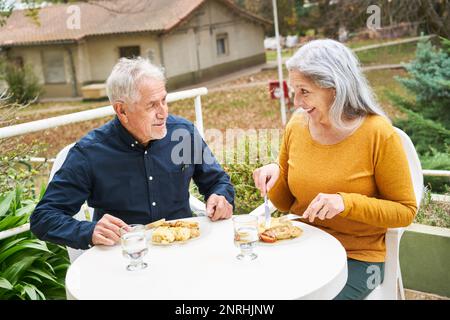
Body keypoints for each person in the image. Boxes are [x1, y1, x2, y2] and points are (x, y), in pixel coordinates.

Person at [252, 39, 417, 300]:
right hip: (301, 245)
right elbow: (285, 201)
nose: (296, 102)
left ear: (335, 87)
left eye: (304, 91)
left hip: (358, 258)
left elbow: (404, 211)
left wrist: (346, 203)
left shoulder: (378, 133)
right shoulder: (297, 124)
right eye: (293, 90)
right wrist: (274, 174)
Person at [31, 57, 234, 250]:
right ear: (122, 111)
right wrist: (89, 231)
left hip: (183, 249)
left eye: (164, 100)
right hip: (124, 257)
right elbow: (43, 217)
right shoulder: (89, 153)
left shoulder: (183, 133)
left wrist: (220, 196)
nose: (163, 113)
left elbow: (218, 181)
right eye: (152, 105)